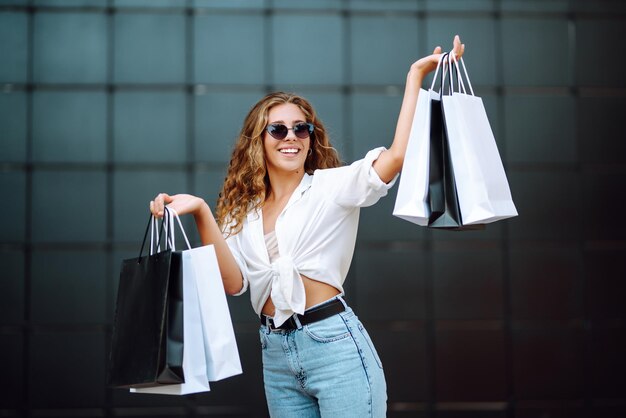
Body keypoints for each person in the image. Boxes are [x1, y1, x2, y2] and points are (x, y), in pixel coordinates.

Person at [150, 36, 465, 418]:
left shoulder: (331, 187)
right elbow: (234, 284)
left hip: (334, 346)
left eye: (302, 129)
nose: (292, 138)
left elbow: (397, 156)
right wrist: (200, 211)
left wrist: (416, 76)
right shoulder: (242, 211)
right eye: (278, 130)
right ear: (259, 141)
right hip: (276, 355)